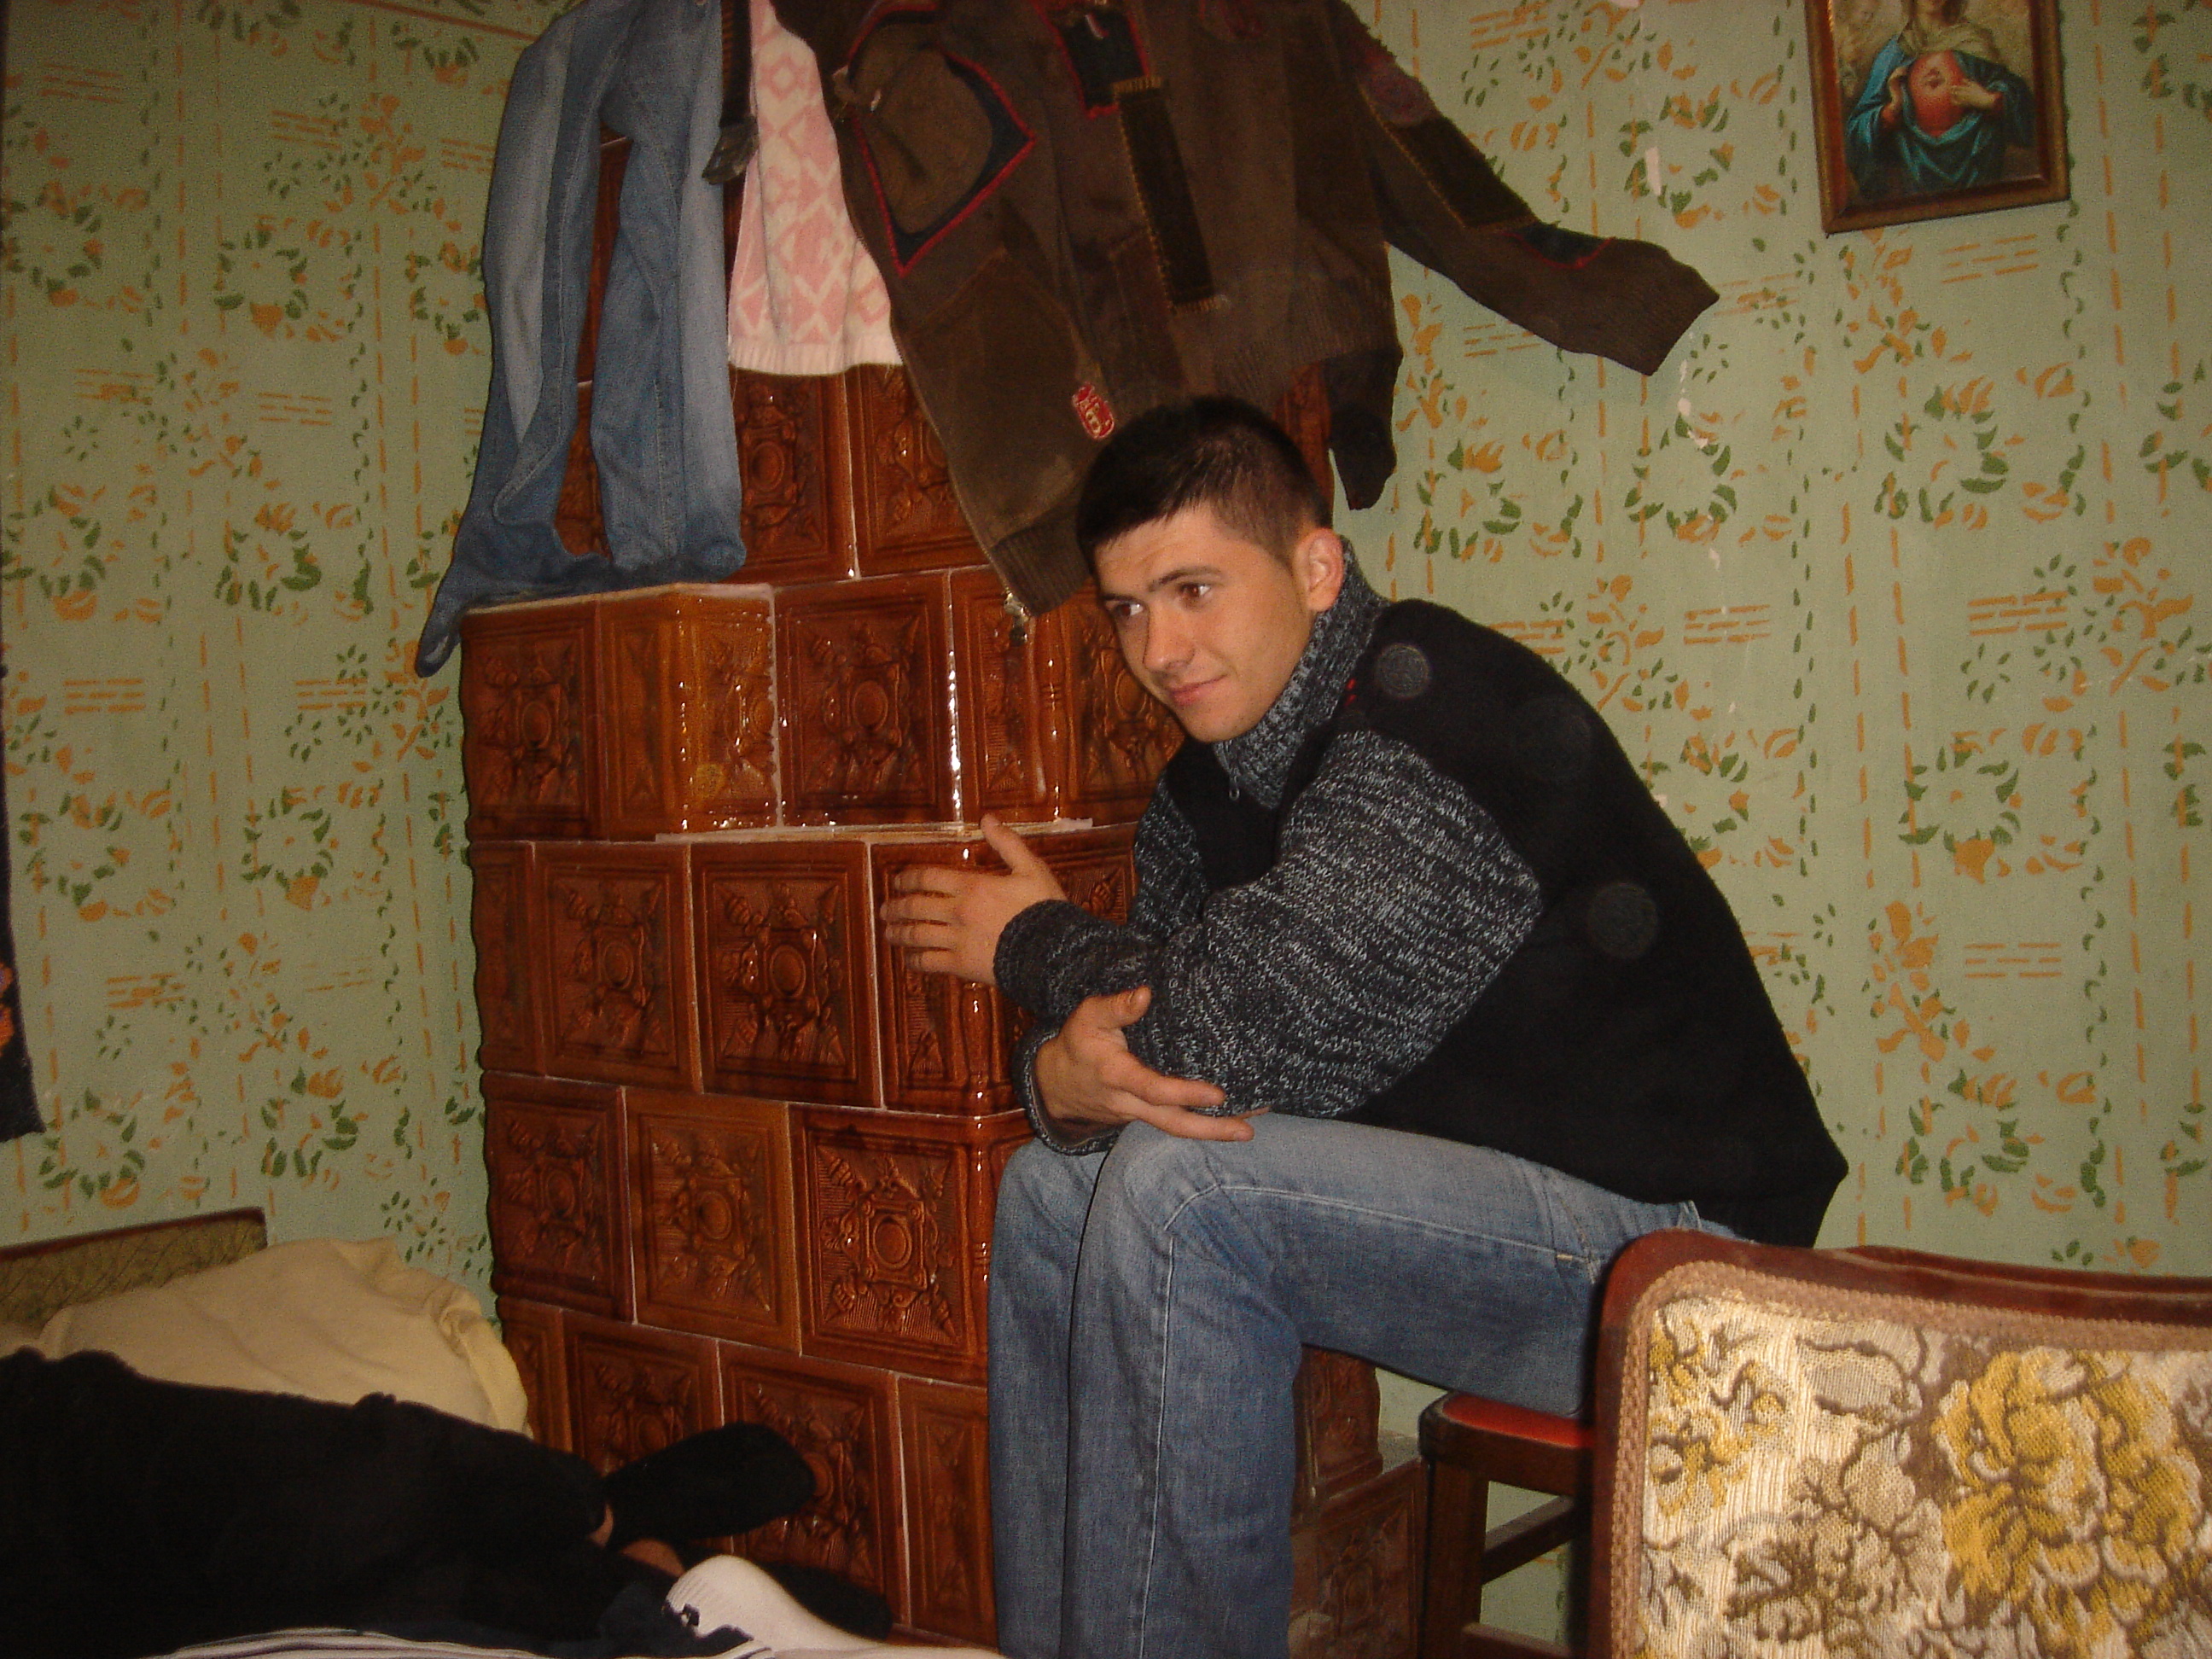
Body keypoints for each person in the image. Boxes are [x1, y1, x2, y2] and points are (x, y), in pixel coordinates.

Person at [880, 397, 1848, 1659]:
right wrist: (1061, 1087)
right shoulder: (1201, 790)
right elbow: (1160, 1049)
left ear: (1317, 567)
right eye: (1126, 610)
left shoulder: (1439, 710)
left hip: (1683, 1263)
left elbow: (1222, 1024)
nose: (1159, 649)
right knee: (1052, 1191)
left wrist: (1031, 944)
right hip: (1513, 1221)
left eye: (1193, 590)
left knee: (1182, 1198)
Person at [0, 1344, 837, 1659]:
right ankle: (634, 1578)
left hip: (49, 1488)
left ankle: (608, 1522)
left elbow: (370, 1482)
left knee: (361, 1498)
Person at [1842, 0, 2035, 201]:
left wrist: (1990, 100)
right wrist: (1892, 110)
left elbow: (2022, 103)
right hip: (1912, 173)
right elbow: (1856, 132)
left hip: (1975, 163)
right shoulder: (1894, 53)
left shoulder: (1973, 41)